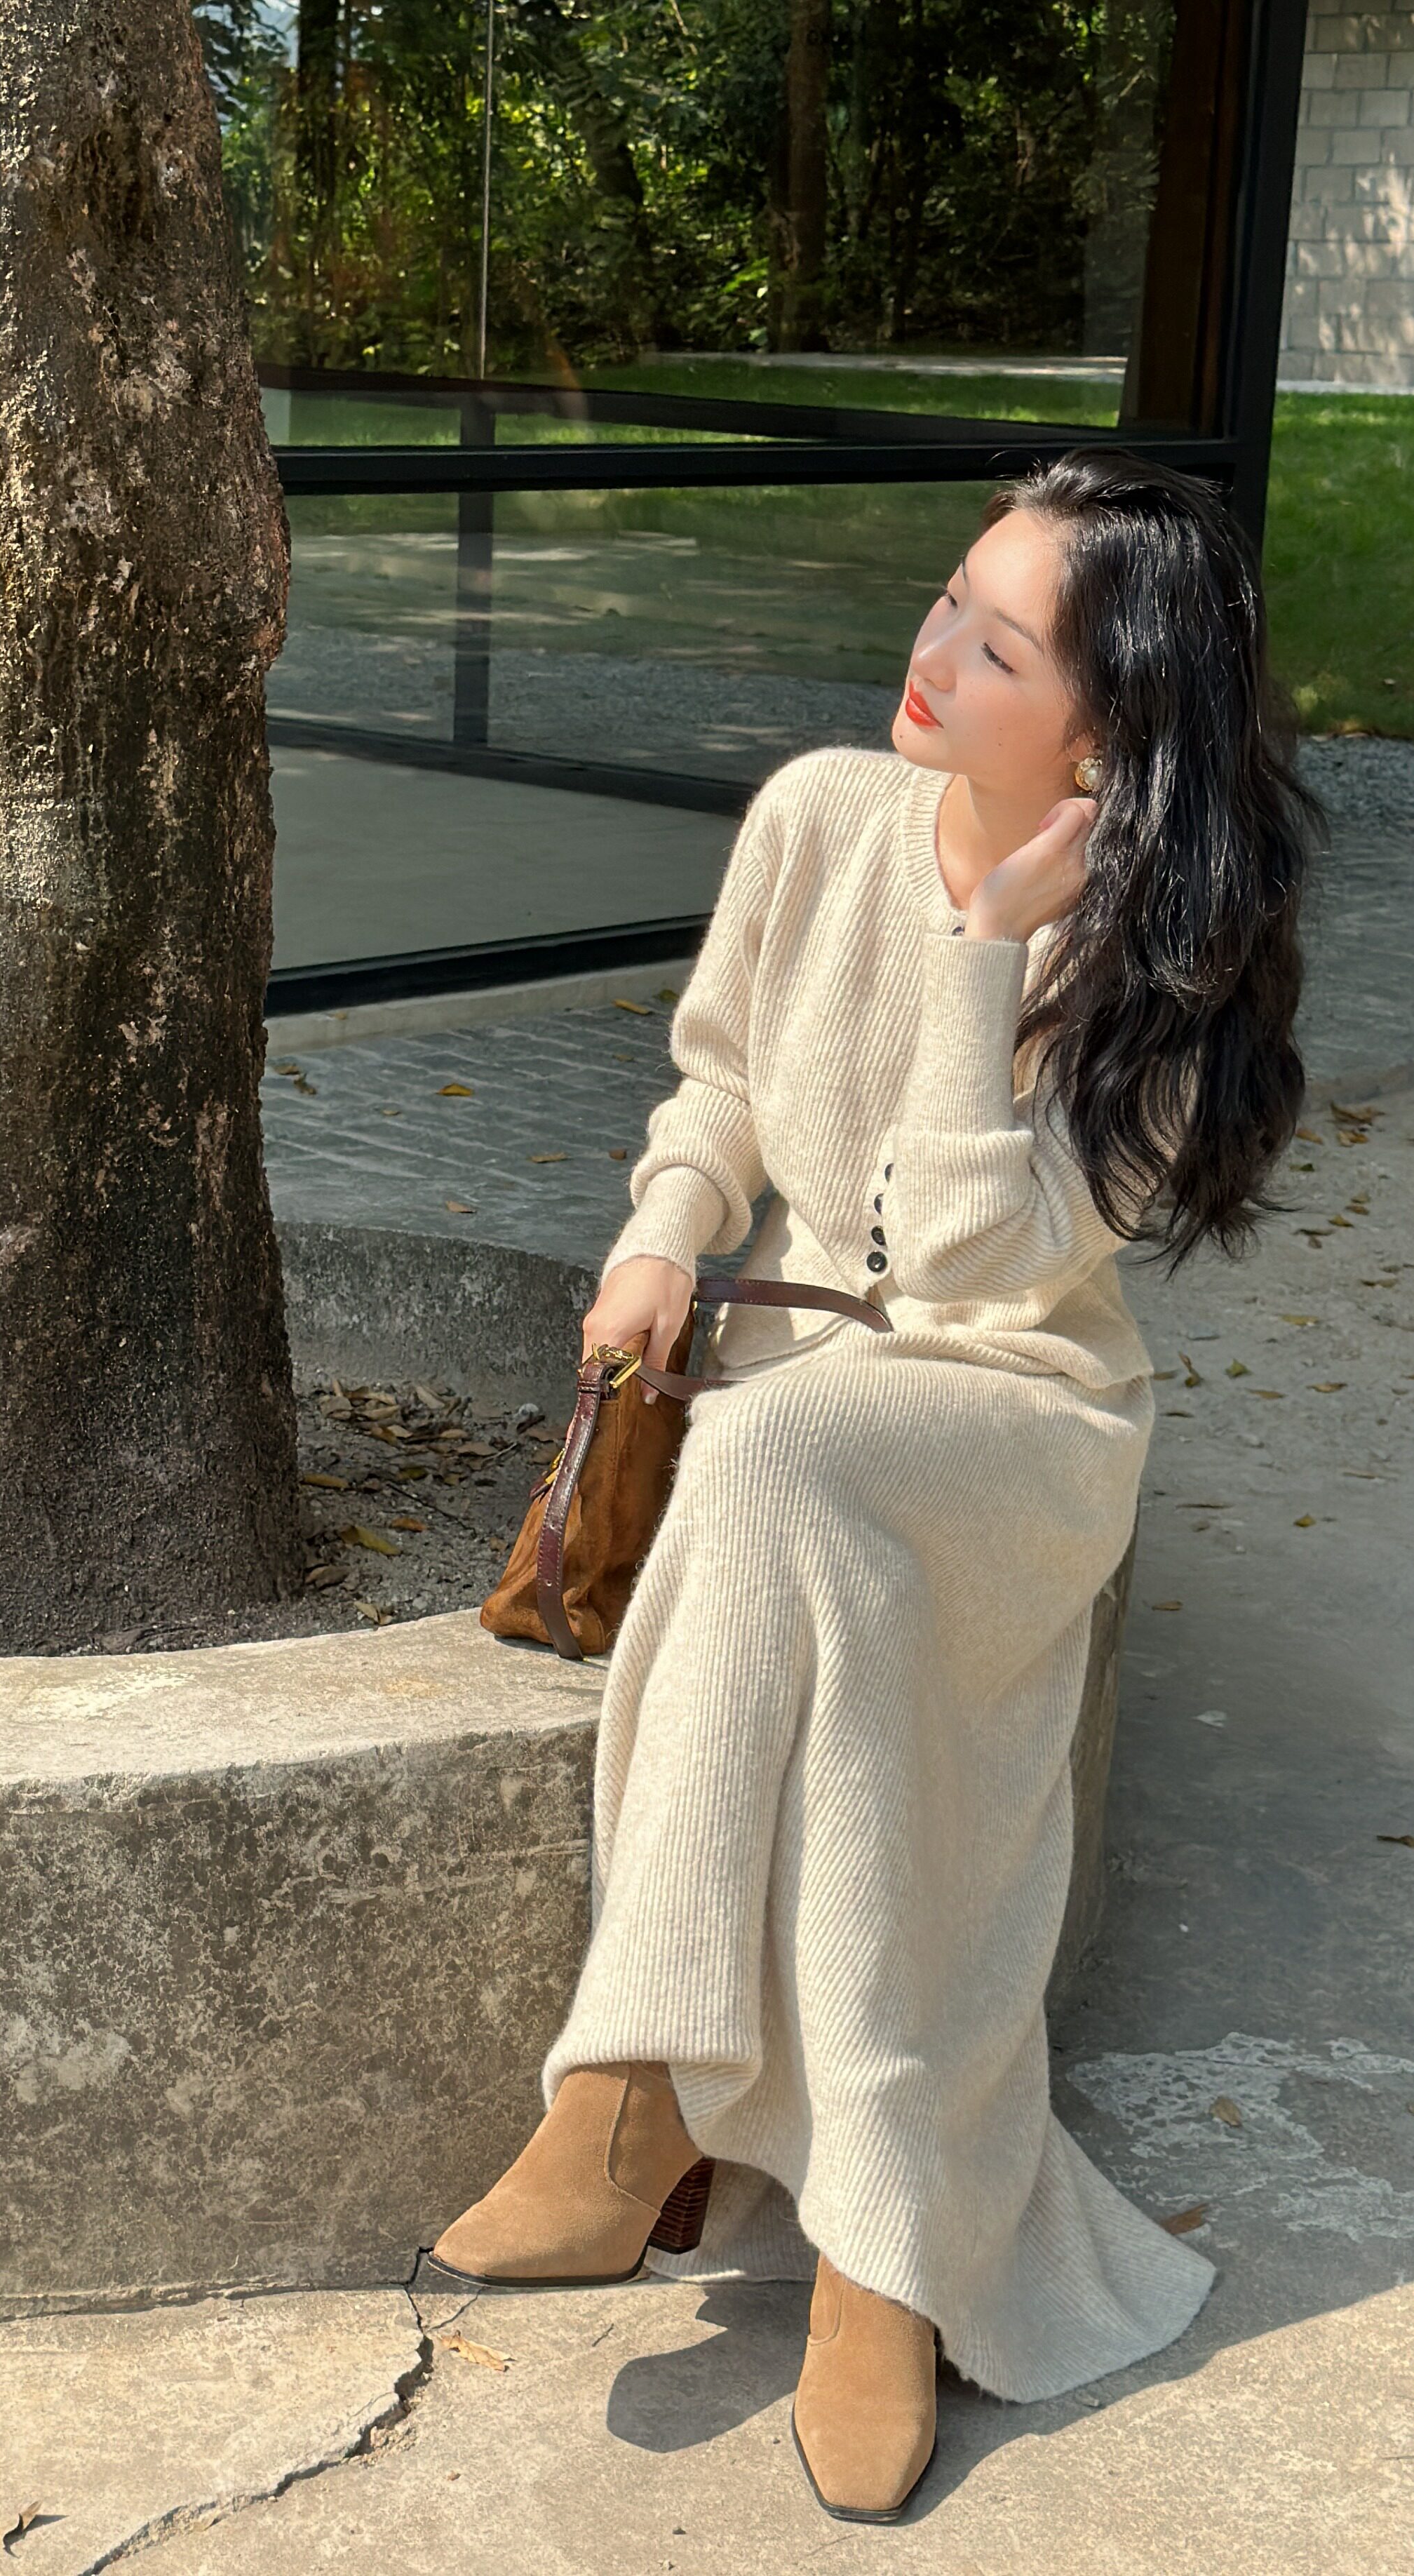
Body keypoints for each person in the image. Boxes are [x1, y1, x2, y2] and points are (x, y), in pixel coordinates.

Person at [424, 450, 1323, 2523]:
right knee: (856, 1703)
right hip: (797, 1410)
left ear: (1102, 731)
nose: (928, 656)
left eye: (995, 649)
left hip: (1012, 1416)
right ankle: (875, 2263)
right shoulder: (817, 815)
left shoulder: (1162, 955)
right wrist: (665, 1229)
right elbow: (723, 1078)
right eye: (945, 603)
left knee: (779, 1451)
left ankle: (639, 2103)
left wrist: (985, 948)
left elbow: (977, 1271)